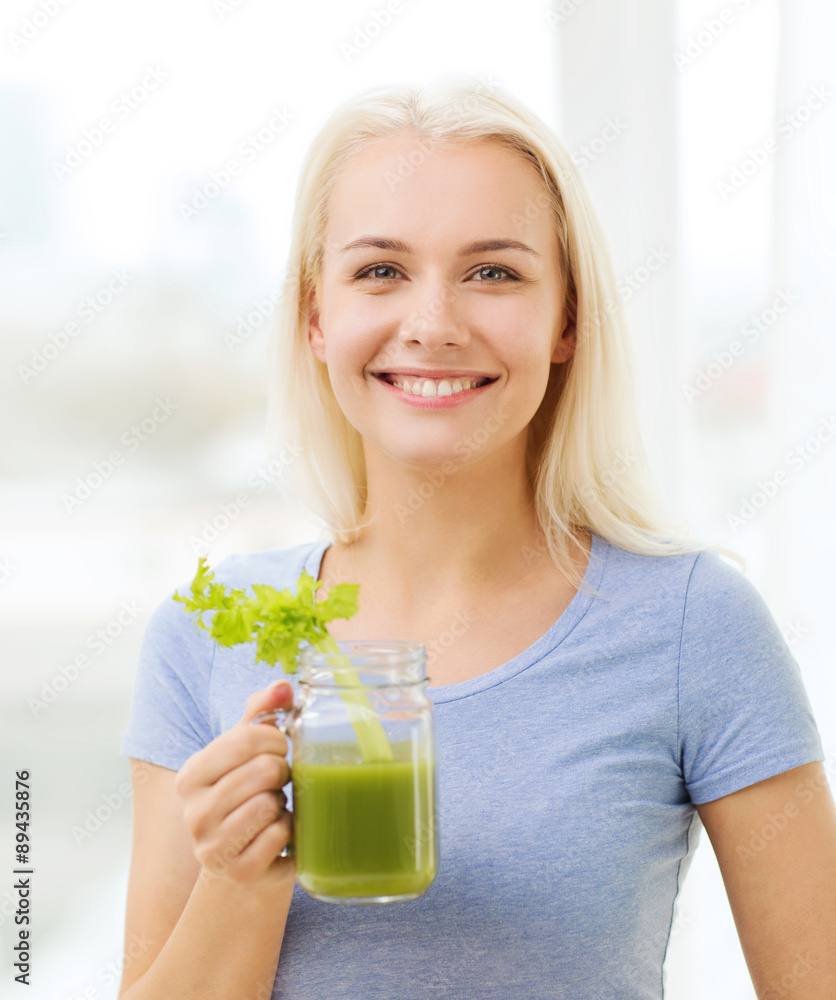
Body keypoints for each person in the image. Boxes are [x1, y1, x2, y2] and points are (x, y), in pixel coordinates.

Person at [118, 79, 836, 999]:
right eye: (380, 271)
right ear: (315, 317)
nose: (432, 326)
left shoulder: (695, 625)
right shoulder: (208, 634)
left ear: (566, 318)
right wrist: (239, 881)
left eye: (493, 273)